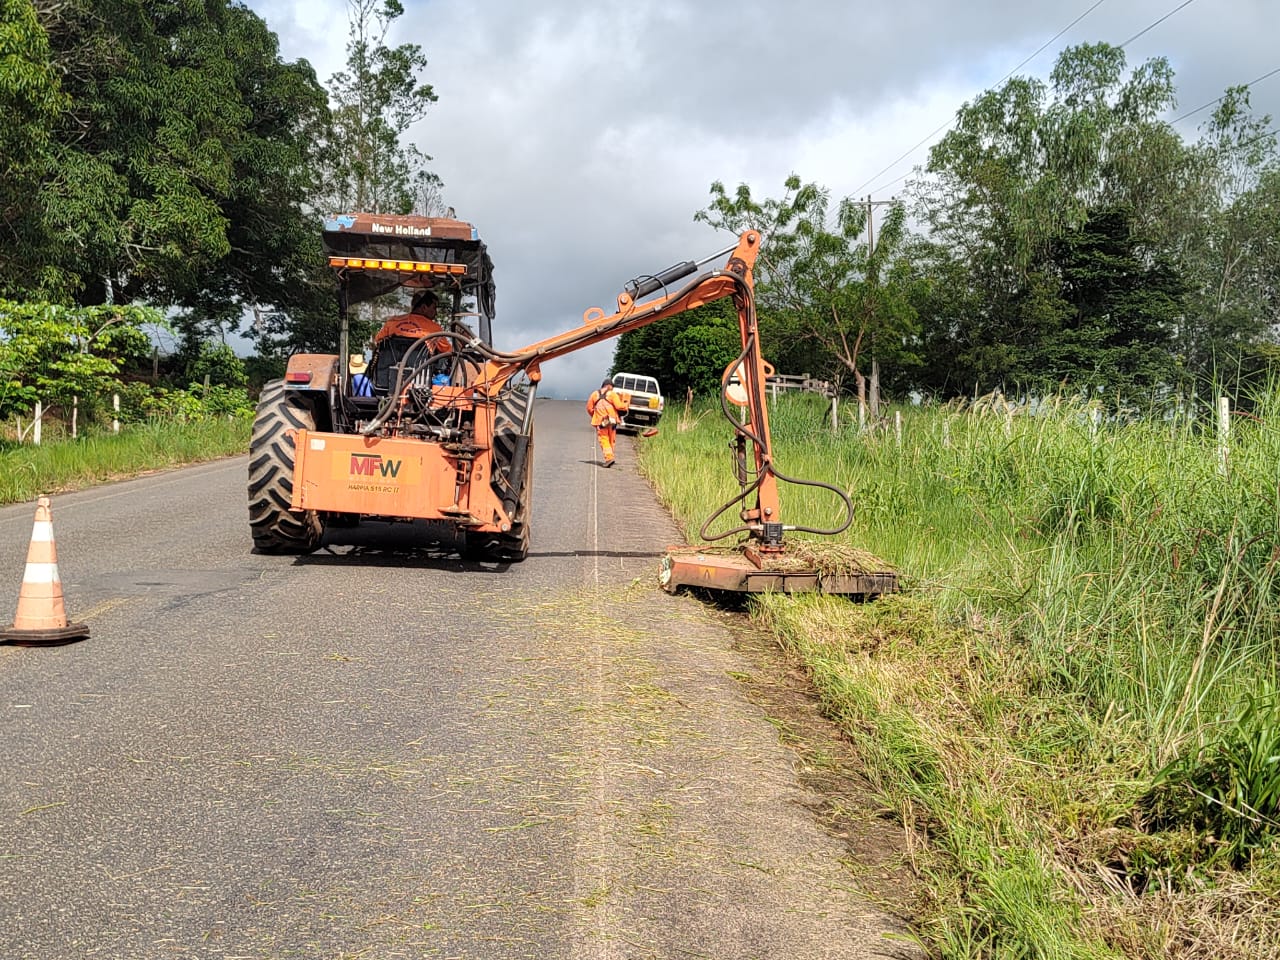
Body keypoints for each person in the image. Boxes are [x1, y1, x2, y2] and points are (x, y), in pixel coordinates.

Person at [586, 377, 629, 467]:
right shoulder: (612, 394)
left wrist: (595, 415)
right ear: (610, 386)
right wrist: (626, 404)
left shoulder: (594, 394)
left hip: (601, 422)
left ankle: (609, 458)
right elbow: (619, 406)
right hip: (612, 421)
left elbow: (589, 408)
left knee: (604, 439)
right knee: (611, 439)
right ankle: (610, 457)